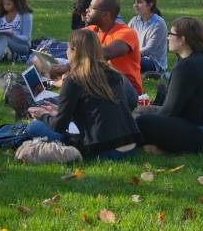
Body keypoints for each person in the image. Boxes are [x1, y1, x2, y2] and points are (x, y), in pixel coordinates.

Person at [23, 30, 141, 161]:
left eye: (68, 48)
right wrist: (57, 112)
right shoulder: (114, 74)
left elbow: (59, 127)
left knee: (33, 126)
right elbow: (97, 111)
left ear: (73, 50)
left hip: (104, 150)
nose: (66, 51)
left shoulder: (74, 80)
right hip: (130, 146)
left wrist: (43, 116)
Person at [136, 18, 203, 154]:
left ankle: (161, 148)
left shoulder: (187, 66)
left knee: (143, 122)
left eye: (170, 34)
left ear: (183, 40)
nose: (167, 38)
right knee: (144, 112)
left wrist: (141, 117)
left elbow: (169, 112)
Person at [83, 0, 143, 94]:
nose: (87, 10)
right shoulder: (91, 30)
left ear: (105, 14)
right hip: (103, 83)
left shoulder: (126, 33)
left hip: (127, 89)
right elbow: (73, 46)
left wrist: (67, 67)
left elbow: (106, 53)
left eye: (91, 8)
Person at [130, 0, 167, 74]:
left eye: (139, 2)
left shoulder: (158, 24)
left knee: (126, 60)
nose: (135, 5)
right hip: (137, 56)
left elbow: (149, 49)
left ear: (150, 4)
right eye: (134, 2)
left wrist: (130, 54)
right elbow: (126, 38)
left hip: (154, 63)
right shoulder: (134, 21)